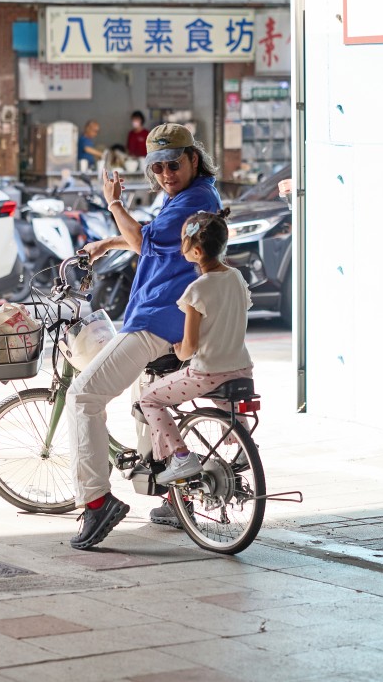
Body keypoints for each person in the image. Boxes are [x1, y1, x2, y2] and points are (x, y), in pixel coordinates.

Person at [66, 123, 222, 550]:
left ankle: (96, 502)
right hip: (172, 316)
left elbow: (143, 237)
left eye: (174, 163)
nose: (166, 173)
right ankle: (174, 494)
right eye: (158, 167)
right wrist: (109, 243)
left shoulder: (193, 199)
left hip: (158, 320)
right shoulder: (194, 196)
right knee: (144, 404)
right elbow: (153, 244)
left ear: (193, 158)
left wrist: (114, 203)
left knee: (83, 396)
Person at [137, 210, 253, 486]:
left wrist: (178, 350)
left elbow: (188, 349)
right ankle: (244, 446)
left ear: (197, 251)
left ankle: (180, 456)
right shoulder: (236, 277)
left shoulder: (196, 290)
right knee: (229, 407)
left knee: (149, 399)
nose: (181, 247)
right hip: (241, 368)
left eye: (183, 243)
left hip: (207, 372)